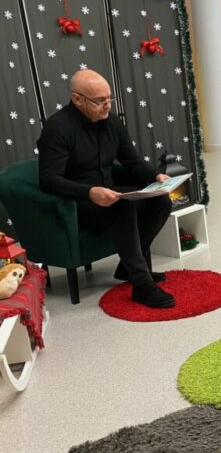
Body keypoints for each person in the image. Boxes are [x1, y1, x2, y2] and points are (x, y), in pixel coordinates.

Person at [37, 70, 175, 308]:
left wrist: (156, 176)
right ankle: (142, 285)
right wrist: (89, 192)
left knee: (160, 201)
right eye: (100, 101)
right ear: (77, 99)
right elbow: (48, 180)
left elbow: (132, 161)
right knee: (122, 206)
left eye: (109, 98)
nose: (108, 106)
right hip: (76, 202)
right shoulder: (57, 128)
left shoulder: (112, 122)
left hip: (108, 192)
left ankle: (128, 268)